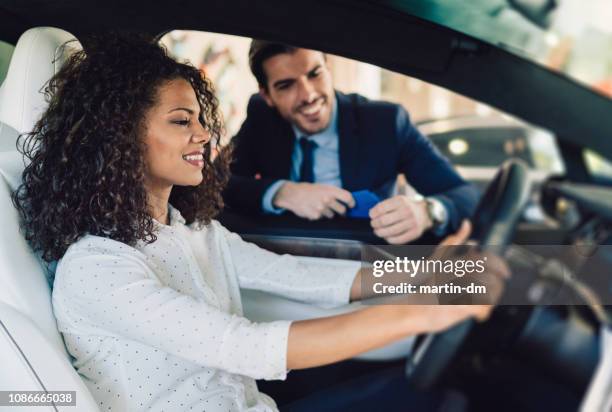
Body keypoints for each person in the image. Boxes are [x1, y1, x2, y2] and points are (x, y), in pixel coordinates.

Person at [12, 33, 505, 412]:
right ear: (119, 139)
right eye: (182, 121)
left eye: (200, 119)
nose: (205, 135)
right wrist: (423, 312)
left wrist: (434, 274)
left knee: (439, 395)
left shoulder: (191, 231)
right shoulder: (97, 267)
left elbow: (296, 275)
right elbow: (244, 346)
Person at [223, 41, 480, 245]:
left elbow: (464, 197)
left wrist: (428, 212)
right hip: (279, 258)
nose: (309, 95)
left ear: (328, 66)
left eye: (315, 74)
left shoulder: (385, 122)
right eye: (286, 85)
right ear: (267, 95)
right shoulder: (262, 117)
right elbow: (218, 182)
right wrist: (281, 193)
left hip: (366, 262)